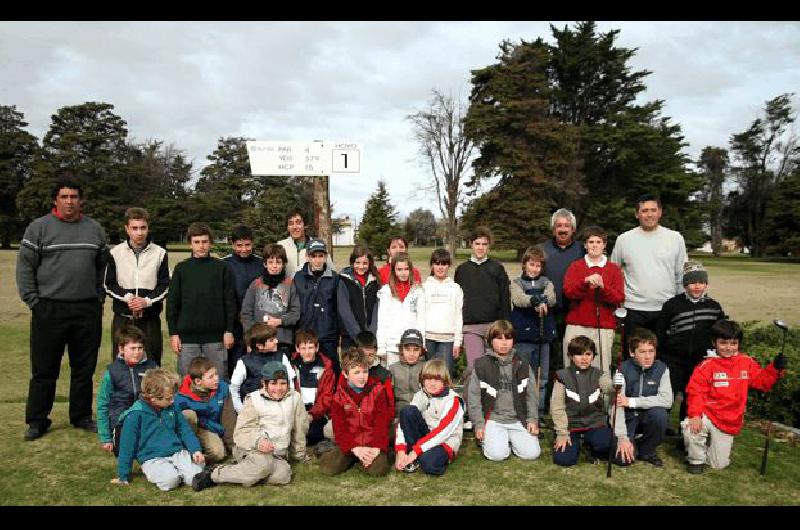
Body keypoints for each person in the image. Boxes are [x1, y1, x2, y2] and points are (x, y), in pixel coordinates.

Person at [17, 176, 108, 441]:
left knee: (84, 368)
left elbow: (102, 266)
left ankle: (80, 416)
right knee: (44, 369)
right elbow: (25, 267)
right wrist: (34, 301)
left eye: (74, 197)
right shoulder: (39, 228)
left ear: (81, 201)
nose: (69, 202)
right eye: (64, 197)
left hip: (86, 310)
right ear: (55, 200)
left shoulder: (94, 229)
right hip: (49, 309)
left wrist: (99, 296)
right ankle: (37, 420)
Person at [682, 319, 786, 474]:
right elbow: (695, 392)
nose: (728, 348)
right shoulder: (706, 365)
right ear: (714, 343)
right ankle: (696, 459)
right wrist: (695, 415)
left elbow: (762, 382)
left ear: (739, 344)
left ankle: (709, 447)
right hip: (708, 413)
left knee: (719, 465)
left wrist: (775, 368)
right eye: (723, 343)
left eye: (733, 343)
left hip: (730, 419)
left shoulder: (746, 362)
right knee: (690, 426)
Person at [191, 361, 309, 490]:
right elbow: (241, 432)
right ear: (264, 384)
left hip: (277, 453)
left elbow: (299, 429)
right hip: (251, 448)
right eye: (273, 383)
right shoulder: (253, 400)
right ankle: (214, 474)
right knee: (264, 464)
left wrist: (298, 454)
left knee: (283, 475)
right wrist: (258, 442)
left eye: (283, 383)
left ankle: (245, 470)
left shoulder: (295, 398)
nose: (279, 388)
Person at [657, 260, 727, 434]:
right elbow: (659, 331)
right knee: (668, 394)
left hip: (699, 361)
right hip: (672, 359)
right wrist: (660, 353)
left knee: (692, 397)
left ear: (706, 284)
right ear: (685, 284)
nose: (697, 286)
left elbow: (722, 332)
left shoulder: (714, 307)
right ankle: (659, 427)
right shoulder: (672, 305)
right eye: (692, 282)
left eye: (701, 282)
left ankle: (686, 432)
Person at [610, 193, 687, 340]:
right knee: (633, 358)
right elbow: (613, 273)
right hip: (633, 309)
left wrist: (680, 306)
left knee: (662, 357)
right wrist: (617, 305)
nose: (649, 214)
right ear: (636, 214)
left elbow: (681, 274)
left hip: (666, 308)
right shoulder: (624, 240)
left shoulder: (675, 238)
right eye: (644, 211)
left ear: (660, 212)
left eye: (653, 210)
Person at [112, 368, 205, 490]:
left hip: (177, 452)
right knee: (170, 481)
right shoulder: (135, 415)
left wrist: (195, 450)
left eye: (172, 397)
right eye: (168, 398)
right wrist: (123, 476)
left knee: (196, 476)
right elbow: (126, 446)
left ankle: (184, 471)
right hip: (152, 458)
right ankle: (172, 474)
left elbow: (184, 430)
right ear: (153, 398)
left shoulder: (172, 406)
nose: (172, 401)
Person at [166, 222, 236, 379]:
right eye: (196, 242)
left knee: (218, 380)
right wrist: (173, 333)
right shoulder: (181, 269)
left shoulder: (221, 268)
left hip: (216, 338)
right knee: (188, 381)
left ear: (210, 243)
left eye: (205, 241)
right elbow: (172, 303)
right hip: (187, 338)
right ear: (190, 244)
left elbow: (230, 302)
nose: (201, 246)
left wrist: (229, 330)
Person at [467, 320, 541, 462]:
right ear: (490, 341)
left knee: (532, 453)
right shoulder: (481, 365)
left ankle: (510, 439)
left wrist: (532, 419)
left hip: (518, 419)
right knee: (497, 455)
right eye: (499, 338)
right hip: (494, 420)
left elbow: (532, 395)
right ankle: (492, 440)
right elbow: (473, 397)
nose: (504, 342)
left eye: (508, 338)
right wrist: (479, 424)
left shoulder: (523, 364)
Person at [104, 207, 169, 365]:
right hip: (123, 319)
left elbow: (164, 285)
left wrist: (146, 301)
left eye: (143, 228)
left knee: (152, 364)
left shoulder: (159, 253)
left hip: (149, 320)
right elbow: (109, 283)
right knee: (121, 363)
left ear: (148, 228)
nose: (139, 233)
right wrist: (129, 298)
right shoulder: (115, 253)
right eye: (134, 228)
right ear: (127, 228)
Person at [551, 335, 624, 467]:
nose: (584, 358)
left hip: (594, 423)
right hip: (570, 426)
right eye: (578, 354)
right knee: (564, 460)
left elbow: (607, 386)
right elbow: (557, 408)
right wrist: (562, 433)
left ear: (593, 356)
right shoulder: (562, 376)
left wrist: (615, 384)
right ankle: (576, 444)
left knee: (615, 452)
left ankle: (590, 445)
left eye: (588, 354)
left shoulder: (599, 374)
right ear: (571, 356)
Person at [319, 349, 391, 477]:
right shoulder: (339, 396)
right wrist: (354, 448)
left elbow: (381, 423)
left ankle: (369, 458)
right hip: (351, 442)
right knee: (328, 469)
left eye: (365, 371)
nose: (362, 376)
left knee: (378, 470)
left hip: (371, 442)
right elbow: (340, 429)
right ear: (345, 374)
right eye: (356, 372)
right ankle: (333, 451)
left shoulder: (378, 390)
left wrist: (376, 448)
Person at [562, 226, 625, 373]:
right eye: (591, 242)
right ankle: (571, 396)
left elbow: (619, 297)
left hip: (603, 326)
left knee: (600, 369)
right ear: (585, 245)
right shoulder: (576, 266)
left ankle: (601, 396)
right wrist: (585, 283)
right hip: (577, 324)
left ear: (604, 245)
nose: (594, 245)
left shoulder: (613, 269)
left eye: (598, 242)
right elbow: (568, 292)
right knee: (572, 367)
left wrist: (603, 288)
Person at [613, 328, 673, 467]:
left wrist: (633, 401)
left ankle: (647, 451)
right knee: (623, 459)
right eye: (642, 352)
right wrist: (622, 438)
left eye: (651, 351)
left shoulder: (662, 369)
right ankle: (632, 442)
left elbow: (667, 400)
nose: (648, 357)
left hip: (649, 415)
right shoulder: (622, 369)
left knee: (660, 415)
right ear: (632, 353)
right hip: (628, 418)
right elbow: (617, 407)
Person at [394, 359, 465, 475]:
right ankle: (411, 455)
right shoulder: (420, 395)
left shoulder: (454, 401)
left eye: (437, 379)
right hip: (426, 436)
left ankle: (420, 456)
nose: (432, 383)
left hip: (445, 440)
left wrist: (415, 452)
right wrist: (401, 451)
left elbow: (442, 432)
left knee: (428, 463)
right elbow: (404, 422)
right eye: (428, 378)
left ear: (445, 381)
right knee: (407, 412)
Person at [509, 246, 556, 419]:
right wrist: (534, 300)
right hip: (524, 337)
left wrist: (543, 300)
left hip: (543, 337)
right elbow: (519, 299)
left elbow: (551, 298)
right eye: (531, 264)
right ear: (525, 264)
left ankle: (539, 411)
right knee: (523, 375)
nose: (534, 268)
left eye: (538, 265)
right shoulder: (517, 283)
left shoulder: (546, 282)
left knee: (541, 378)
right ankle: (522, 409)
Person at [454, 226, 511, 370]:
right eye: (477, 244)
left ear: (488, 246)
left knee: (495, 368)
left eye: (484, 244)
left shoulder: (497, 268)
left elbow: (505, 298)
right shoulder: (462, 270)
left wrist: (504, 326)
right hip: (470, 327)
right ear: (471, 245)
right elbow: (457, 301)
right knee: (475, 368)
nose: (480, 248)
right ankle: (473, 393)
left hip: (493, 327)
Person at [97, 325, 158, 455]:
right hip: (122, 420)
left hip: (147, 417)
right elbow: (103, 405)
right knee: (124, 451)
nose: (137, 352)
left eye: (140, 348)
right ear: (121, 349)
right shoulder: (112, 372)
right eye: (132, 348)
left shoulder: (152, 368)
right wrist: (105, 437)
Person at [539, 208, 585, 370]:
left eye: (567, 225)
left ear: (573, 229)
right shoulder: (542, 250)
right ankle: (549, 393)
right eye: (559, 225)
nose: (563, 229)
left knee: (575, 353)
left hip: (575, 312)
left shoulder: (582, 250)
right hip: (549, 311)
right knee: (551, 358)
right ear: (553, 229)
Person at [240, 243, 301, 354]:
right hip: (259, 341)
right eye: (270, 262)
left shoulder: (290, 284)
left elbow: (295, 313)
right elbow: (246, 314)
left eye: (278, 262)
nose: (274, 266)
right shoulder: (256, 284)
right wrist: (250, 339)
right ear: (265, 264)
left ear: (283, 264)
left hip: (282, 341)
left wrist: (280, 321)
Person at [174, 356, 235, 464]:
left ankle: (198, 458)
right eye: (211, 377)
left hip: (211, 428)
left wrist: (232, 446)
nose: (216, 378)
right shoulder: (181, 396)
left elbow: (228, 417)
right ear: (198, 381)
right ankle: (185, 452)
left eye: (216, 374)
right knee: (187, 414)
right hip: (191, 428)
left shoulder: (223, 388)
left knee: (218, 454)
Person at [294, 238, 340, 373]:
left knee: (331, 369)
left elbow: (338, 308)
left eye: (321, 256)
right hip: (305, 333)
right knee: (306, 370)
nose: (317, 260)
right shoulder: (298, 277)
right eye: (314, 256)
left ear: (326, 257)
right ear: (307, 256)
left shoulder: (334, 278)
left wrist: (337, 333)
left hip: (327, 334)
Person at [223, 225, 264, 378]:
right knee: (234, 363)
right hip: (233, 323)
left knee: (256, 360)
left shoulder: (261, 264)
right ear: (233, 245)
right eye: (239, 245)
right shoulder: (225, 264)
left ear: (252, 243)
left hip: (256, 321)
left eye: (247, 245)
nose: (244, 249)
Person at [230, 323, 296, 413]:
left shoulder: (282, 357)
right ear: (260, 346)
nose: (277, 341)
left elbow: (291, 384)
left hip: (279, 410)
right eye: (272, 340)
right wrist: (242, 412)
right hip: (254, 412)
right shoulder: (244, 362)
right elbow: (234, 389)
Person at [376, 252, 425, 367]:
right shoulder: (386, 291)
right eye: (399, 269)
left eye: (406, 269)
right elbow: (382, 320)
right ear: (394, 271)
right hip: (392, 345)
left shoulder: (417, 291)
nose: (403, 273)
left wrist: (422, 343)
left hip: (412, 345)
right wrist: (382, 346)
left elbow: (421, 318)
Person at [290, 329, 336, 447]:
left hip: (317, 412)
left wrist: (312, 415)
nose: (307, 352)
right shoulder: (291, 365)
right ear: (297, 348)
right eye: (303, 348)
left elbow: (327, 397)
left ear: (317, 347)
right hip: (297, 409)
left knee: (313, 435)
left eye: (310, 348)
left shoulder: (326, 367)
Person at [421, 248, 463, 379]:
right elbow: (420, 315)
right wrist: (421, 340)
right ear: (432, 265)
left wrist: (457, 342)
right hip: (428, 339)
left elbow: (458, 316)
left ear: (448, 266)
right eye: (437, 264)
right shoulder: (424, 287)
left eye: (444, 264)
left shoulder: (455, 288)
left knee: (445, 376)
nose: (440, 267)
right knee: (428, 376)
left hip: (447, 339)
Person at [337, 245, 381, 351]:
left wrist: (371, 334)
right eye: (357, 263)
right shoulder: (344, 280)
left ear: (370, 263)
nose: (361, 266)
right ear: (352, 262)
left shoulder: (374, 281)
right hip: (350, 338)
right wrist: (358, 336)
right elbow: (344, 310)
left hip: (370, 338)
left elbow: (376, 308)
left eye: (365, 263)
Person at [278, 208, 333, 279]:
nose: (294, 227)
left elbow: (331, 272)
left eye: (298, 223)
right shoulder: (281, 246)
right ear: (288, 227)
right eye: (291, 224)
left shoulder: (318, 246)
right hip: (287, 289)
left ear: (305, 225)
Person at [389, 329, 426, 414]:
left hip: (422, 410)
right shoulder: (393, 369)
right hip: (399, 411)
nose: (411, 354)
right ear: (401, 349)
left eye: (416, 350)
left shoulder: (426, 367)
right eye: (407, 349)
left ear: (421, 351)